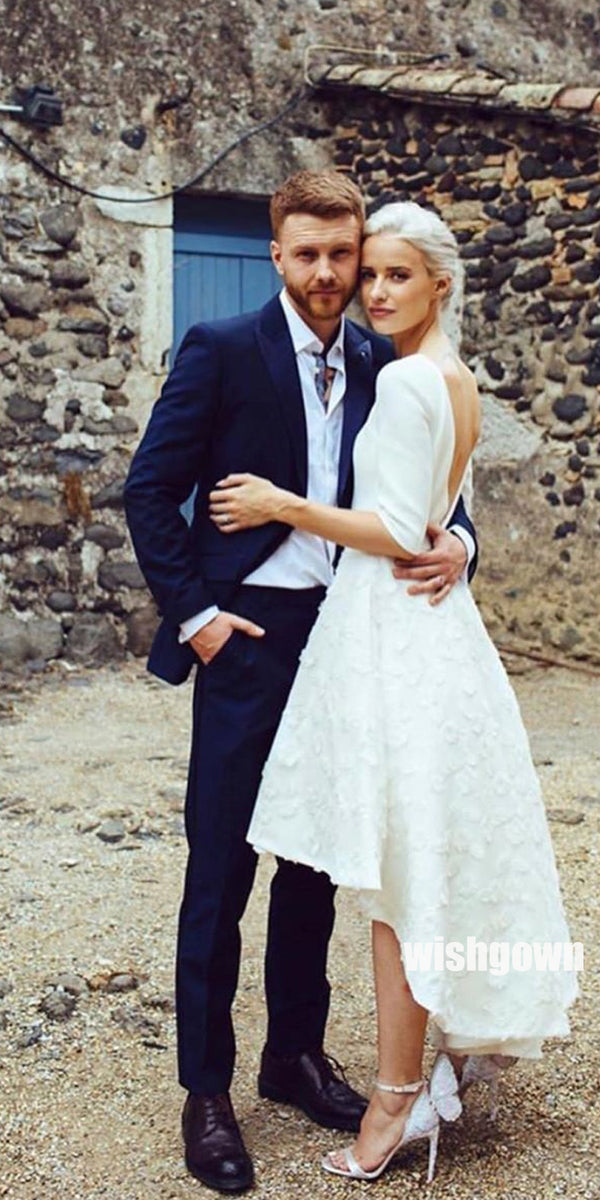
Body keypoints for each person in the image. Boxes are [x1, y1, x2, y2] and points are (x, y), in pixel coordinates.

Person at [208, 199, 578, 1184]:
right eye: (368, 271)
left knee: (395, 878)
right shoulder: (449, 375)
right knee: (414, 863)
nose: (372, 289)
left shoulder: (410, 377)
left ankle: (397, 1097)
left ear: (440, 283)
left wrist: (283, 505)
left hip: (396, 629)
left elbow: (408, 528)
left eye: (394, 274)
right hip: (422, 630)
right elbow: (440, 514)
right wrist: (453, 541)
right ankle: (428, 1068)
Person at [124, 172, 477, 1194]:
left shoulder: (384, 358)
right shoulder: (221, 349)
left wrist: (461, 545)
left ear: (360, 255)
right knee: (221, 864)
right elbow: (151, 488)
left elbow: (434, 484)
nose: (329, 273)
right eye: (308, 253)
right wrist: (197, 618)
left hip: (349, 635)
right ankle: (207, 1091)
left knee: (316, 864)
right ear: (276, 253)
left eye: (342, 254)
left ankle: (294, 1057)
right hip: (245, 637)